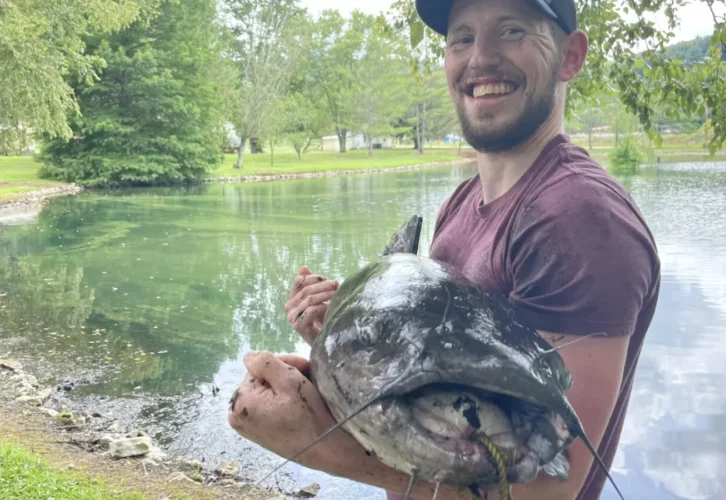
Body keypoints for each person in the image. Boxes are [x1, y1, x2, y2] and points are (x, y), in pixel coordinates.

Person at [228, 0, 661, 498]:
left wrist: (319, 446)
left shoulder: (581, 219)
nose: (480, 58)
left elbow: (547, 492)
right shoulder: (465, 199)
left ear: (570, 55)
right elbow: (433, 365)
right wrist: (343, 332)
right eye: (462, 38)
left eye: (512, 30)